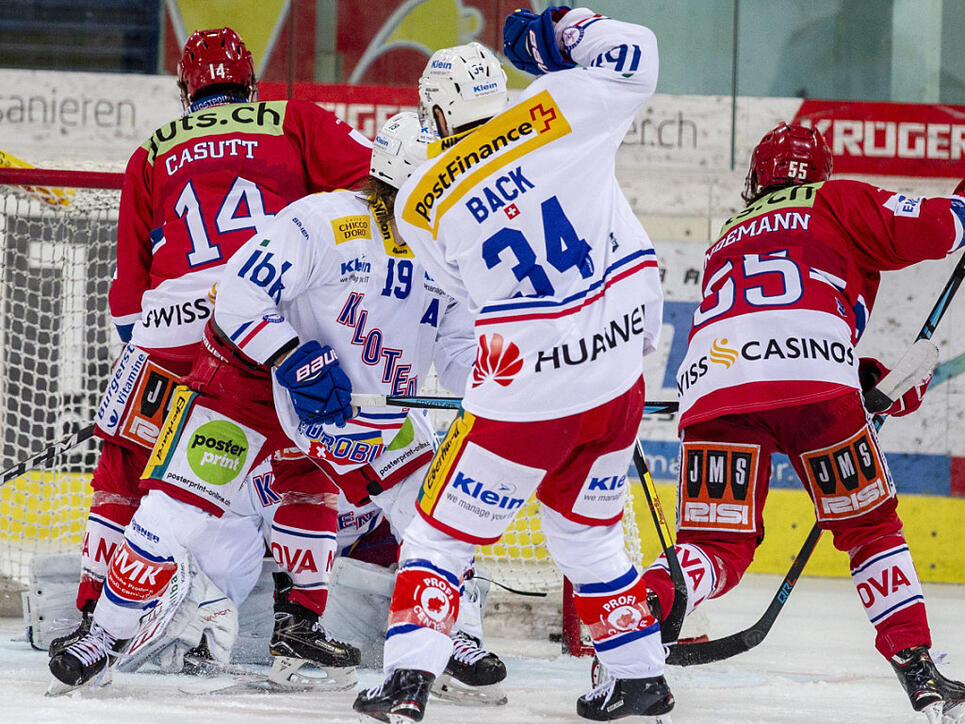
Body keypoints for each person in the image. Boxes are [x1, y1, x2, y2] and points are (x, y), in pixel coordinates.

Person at [48, 111, 506, 699]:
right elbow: (238, 298)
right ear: (393, 183)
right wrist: (290, 354)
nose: (435, 215)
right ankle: (106, 636)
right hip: (250, 384)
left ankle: (452, 635)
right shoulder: (322, 222)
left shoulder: (453, 257)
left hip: (354, 399)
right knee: (171, 510)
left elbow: (460, 344)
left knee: (431, 513)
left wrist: (493, 392)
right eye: (422, 198)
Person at [355, 7, 673, 722]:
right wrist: (567, 28)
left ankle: (407, 680)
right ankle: (637, 676)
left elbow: (464, 290)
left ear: (436, 111)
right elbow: (639, 54)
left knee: (438, 534)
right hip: (617, 376)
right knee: (589, 534)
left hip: (526, 395)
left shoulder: (418, 200)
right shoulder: (560, 105)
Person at [47, 23, 371, 667]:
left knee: (126, 465)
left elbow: (129, 287)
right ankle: (297, 619)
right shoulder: (292, 119)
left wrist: (138, 363)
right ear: (250, 81)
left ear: (184, 90)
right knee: (307, 462)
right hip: (268, 316)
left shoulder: (152, 150)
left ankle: (93, 613)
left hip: (171, 326)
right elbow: (373, 188)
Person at [639, 121, 965, 723]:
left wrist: (869, 378)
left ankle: (637, 621)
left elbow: (767, 322)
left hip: (715, 389)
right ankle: (917, 669)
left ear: (757, 178)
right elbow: (941, 227)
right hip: (814, 383)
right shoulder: (837, 199)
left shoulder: (725, 237)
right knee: (869, 529)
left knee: (713, 548)